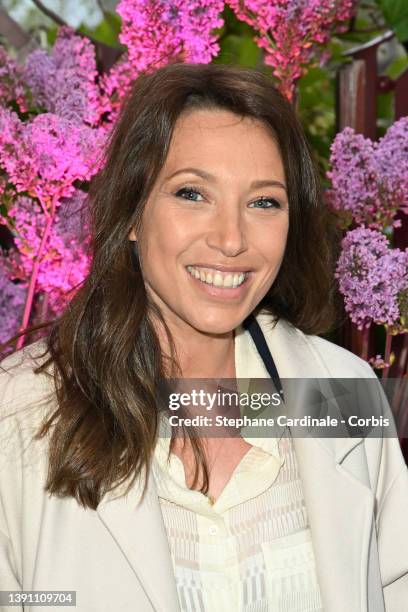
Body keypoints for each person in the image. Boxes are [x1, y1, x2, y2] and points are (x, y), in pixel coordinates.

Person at [0, 62, 407, 612]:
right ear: (133, 213)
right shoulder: (21, 413)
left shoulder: (340, 391)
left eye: (264, 202)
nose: (232, 239)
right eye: (193, 193)